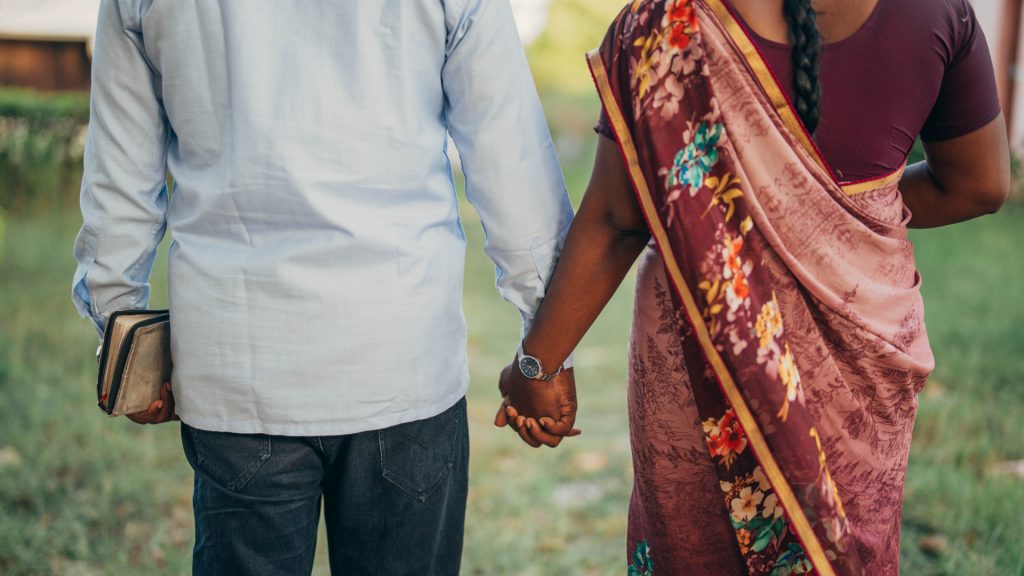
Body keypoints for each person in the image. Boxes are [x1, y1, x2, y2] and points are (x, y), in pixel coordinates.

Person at [495, 0, 1009, 574]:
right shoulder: (939, 12)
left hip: (698, 366)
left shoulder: (667, 25)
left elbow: (619, 219)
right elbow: (978, 185)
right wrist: (833, 218)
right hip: (865, 368)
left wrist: (537, 366)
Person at [72, 0, 575, 574]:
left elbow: (119, 181)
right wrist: (547, 351)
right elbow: (509, 158)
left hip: (239, 368)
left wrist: (121, 334)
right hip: (401, 361)